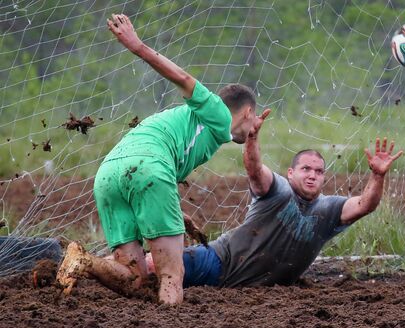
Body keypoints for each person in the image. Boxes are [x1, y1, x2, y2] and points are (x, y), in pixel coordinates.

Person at [56, 14, 268, 304]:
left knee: (135, 279)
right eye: (254, 117)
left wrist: (175, 212)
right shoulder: (218, 113)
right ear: (247, 112)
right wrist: (136, 45)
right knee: (171, 273)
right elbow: (182, 77)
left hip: (109, 174)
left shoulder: (192, 125)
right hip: (148, 169)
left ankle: (84, 260)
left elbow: (151, 176)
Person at [139, 134, 402, 290]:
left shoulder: (328, 209)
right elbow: (255, 170)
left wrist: (377, 176)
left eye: (318, 171)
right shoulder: (279, 190)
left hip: (258, 292)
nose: (312, 176)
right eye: (306, 169)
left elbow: (364, 205)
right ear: (291, 173)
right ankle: (105, 270)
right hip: (218, 264)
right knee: (151, 266)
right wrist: (252, 138)